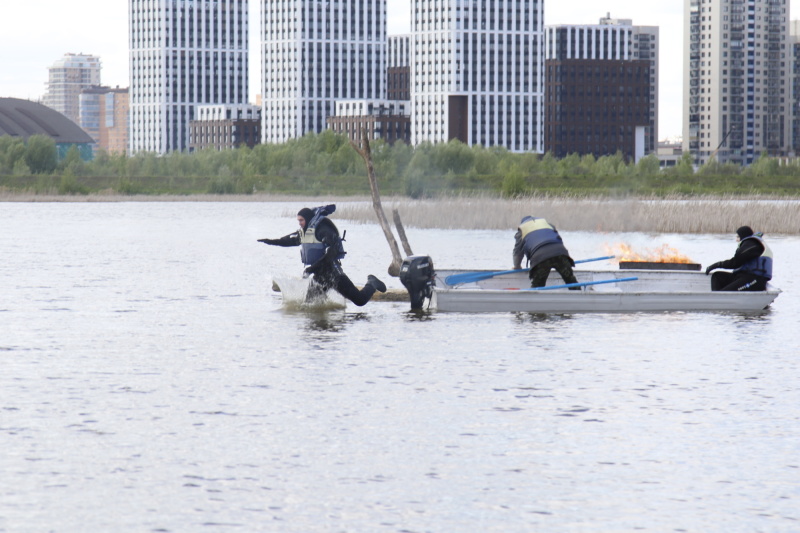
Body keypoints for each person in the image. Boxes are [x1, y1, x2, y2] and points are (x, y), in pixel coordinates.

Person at [258, 204, 387, 306]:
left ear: (307, 219)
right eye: (298, 220)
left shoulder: (324, 230)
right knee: (310, 306)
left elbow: (330, 255)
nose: (299, 223)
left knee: (360, 300)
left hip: (334, 274)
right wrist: (269, 241)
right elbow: (288, 240)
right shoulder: (306, 232)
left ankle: (372, 282)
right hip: (320, 275)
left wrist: (311, 269)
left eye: (301, 220)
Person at [512, 216, 579, 289]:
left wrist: (517, 266)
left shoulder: (522, 230)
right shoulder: (547, 225)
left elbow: (518, 251)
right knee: (571, 282)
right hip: (560, 253)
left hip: (541, 258)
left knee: (537, 287)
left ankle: (534, 299)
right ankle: (580, 298)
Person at [705, 226, 773, 291]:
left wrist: (716, 265)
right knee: (717, 276)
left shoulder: (752, 244)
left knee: (725, 293)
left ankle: (719, 299)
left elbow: (734, 263)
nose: (736, 240)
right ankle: (716, 298)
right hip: (744, 276)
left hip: (755, 280)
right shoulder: (749, 244)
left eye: (738, 237)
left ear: (743, 236)